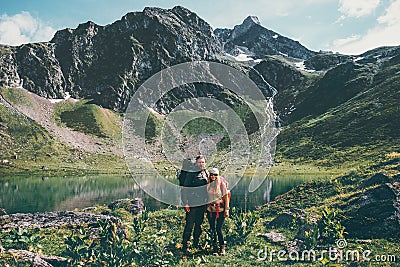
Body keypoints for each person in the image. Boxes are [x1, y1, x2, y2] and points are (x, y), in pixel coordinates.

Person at [181, 155, 209, 255]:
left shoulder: (206, 173)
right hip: (192, 203)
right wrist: (185, 203)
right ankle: (185, 245)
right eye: (199, 162)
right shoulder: (191, 174)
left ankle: (196, 243)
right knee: (189, 224)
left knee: (199, 224)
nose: (201, 164)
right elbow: (184, 189)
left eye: (203, 162)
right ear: (196, 163)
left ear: (205, 163)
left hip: (202, 203)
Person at [207, 167, 230, 255]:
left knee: (218, 229)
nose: (213, 176)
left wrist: (226, 210)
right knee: (212, 228)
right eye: (211, 174)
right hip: (210, 210)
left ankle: (222, 247)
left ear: (218, 175)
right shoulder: (208, 184)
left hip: (220, 209)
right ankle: (214, 247)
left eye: (215, 175)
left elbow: (226, 197)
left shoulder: (221, 184)